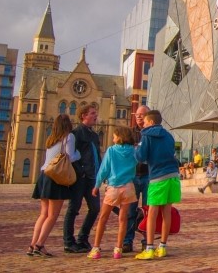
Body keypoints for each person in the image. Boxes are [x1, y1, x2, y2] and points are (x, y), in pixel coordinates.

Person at [29, 114, 80, 257]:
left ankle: (33, 245)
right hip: (56, 178)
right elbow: (69, 157)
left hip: (44, 175)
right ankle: (39, 245)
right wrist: (79, 154)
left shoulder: (51, 139)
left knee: (43, 214)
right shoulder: (69, 137)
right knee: (52, 215)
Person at [134, 109, 182, 260]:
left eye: (145, 122)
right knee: (166, 212)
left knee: (152, 213)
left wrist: (137, 148)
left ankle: (149, 248)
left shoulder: (147, 135)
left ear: (151, 122)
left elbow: (140, 157)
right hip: (173, 176)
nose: (143, 125)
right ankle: (162, 247)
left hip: (158, 176)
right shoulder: (168, 135)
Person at [87, 126, 138, 260]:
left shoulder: (111, 150)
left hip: (114, 186)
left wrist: (97, 185)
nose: (113, 138)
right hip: (128, 187)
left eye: (114, 136)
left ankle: (96, 248)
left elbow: (104, 170)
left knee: (103, 218)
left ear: (120, 137)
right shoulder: (133, 151)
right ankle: (118, 249)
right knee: (123, 219)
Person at [63, 104, 101, 253]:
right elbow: (70, 155)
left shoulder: (94, 135)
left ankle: (83, 238)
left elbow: (96, 155)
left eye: (95, 113)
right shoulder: (76, 133)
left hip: (93, 177)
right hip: (80, 178)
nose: (95, 116)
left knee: (95, 208)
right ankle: (68, 242)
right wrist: (81, 171)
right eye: (92, 113)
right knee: (73, 208)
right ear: (83, 115)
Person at [123, 104, 149, 253]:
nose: (138, 117)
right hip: (133, 176)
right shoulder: (130, 133)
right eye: (137, 114)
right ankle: (127, 241)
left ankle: (146, 240)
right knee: (130, 211)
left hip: (148, 176)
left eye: (142, 115)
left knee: (148, 210)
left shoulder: (150, 133)